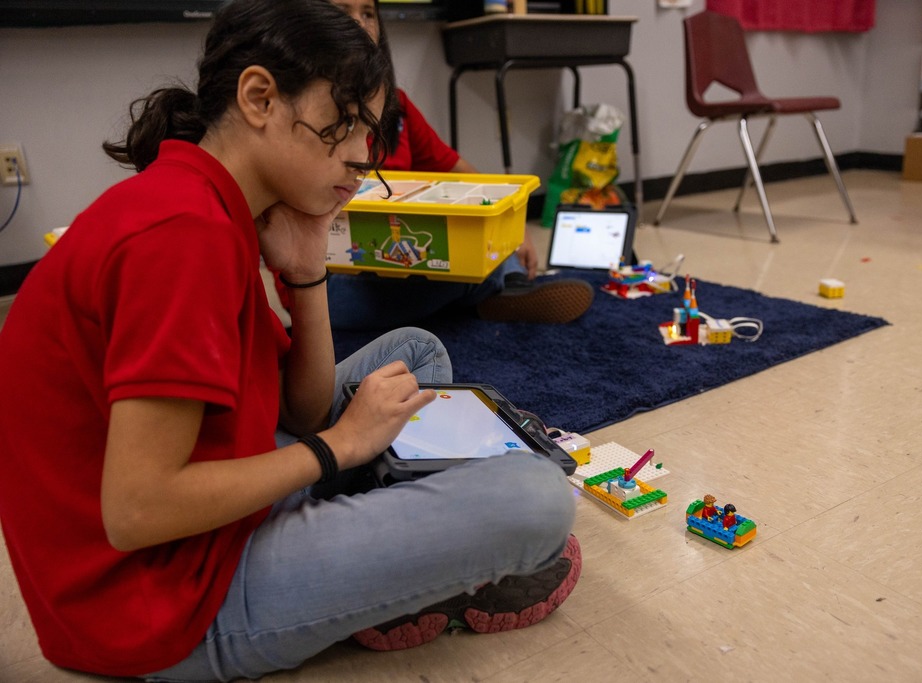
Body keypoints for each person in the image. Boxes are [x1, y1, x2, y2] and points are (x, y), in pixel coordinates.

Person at [0, 1, 579, 680]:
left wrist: (306, 275)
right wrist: (338, 449)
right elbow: (135, 509)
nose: (364, 155)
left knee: (415, 351)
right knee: (539, 501)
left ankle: (373, 532)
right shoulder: (184, 236)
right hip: (165, 605)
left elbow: (295, 408)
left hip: (196, 529)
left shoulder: (207, 199)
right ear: (259, 97)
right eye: (349, 123)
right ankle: (382, 552)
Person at [309, 0, 595, 330]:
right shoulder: (304, 111)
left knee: (475, 252)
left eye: (368, 13)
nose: (360, 24)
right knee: (468, 268)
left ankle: (495, 286)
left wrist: (512, 228)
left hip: (404, 264)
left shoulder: (397, 105)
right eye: (343, 11)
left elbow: (459, 169)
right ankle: (495, 288)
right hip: (331, 286)